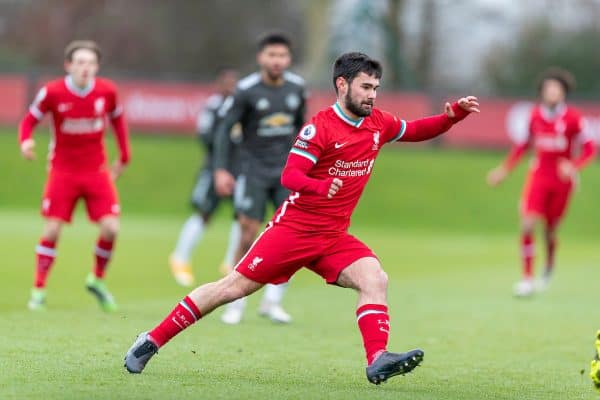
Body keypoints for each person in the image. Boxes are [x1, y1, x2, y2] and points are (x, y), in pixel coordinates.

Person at [124, 52, 479, 384]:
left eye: (376, 88)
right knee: (230, 289)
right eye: (366, 87)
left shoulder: (378, 123)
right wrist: (321, 186)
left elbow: (416, 131)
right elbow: (290, 176)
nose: (372, 95)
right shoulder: (320, 127)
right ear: (342, 85)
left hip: (333, 236)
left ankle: (378, 358)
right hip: (293, 230)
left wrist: (453, 116)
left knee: (375, 278)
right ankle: (152, 340)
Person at [18, 40, 130, 311]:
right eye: (80, 62)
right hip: (62, 171)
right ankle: (38, 290)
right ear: (68, 65)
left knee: (112, 227)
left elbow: (117, 121)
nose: (85, 68)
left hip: (96, 171)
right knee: (53, 229)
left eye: (90, 63)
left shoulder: (106, 91)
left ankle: (98, 280)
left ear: (97, 66)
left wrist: (124, 155)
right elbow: (29, 120)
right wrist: (26, 141)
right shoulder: (52, 92)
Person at [212, 32, 306, 324]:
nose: (277, 61)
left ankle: (272, 301)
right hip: (252, 170)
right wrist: (221, 169)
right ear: (261, 58)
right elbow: (224, 130)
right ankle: (235, 301)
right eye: (271, 55)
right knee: (248, 233)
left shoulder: (297, 88)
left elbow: (304, 130)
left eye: (282, 56)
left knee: (291, 238)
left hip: (287, 173)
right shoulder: (246, 90)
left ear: (288, 59)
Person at [486, 68, 595, 297]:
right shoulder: (535, 115)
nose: (552, 92)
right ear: (542, 93)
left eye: (556, 89)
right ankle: (527, 279)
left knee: (550, 230)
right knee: (527, 223)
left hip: (562, 182)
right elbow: (522, 146)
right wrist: (503, 170)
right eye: (548, 89)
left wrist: (573, 166)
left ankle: (549, 264)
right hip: (539, 176)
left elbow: (589, 149)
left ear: (564, 93)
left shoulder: (574, 118)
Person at [169, 67, 241, 287]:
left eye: (234, 83)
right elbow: (205, 135)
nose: (230, 87)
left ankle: (231, 262)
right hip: (214, 169)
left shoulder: (242, 107)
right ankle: (180, 257)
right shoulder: (214, 106)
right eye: (227, 83)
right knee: (204, 212)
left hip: (240, 169)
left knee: (243, 216)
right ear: (219, 84)